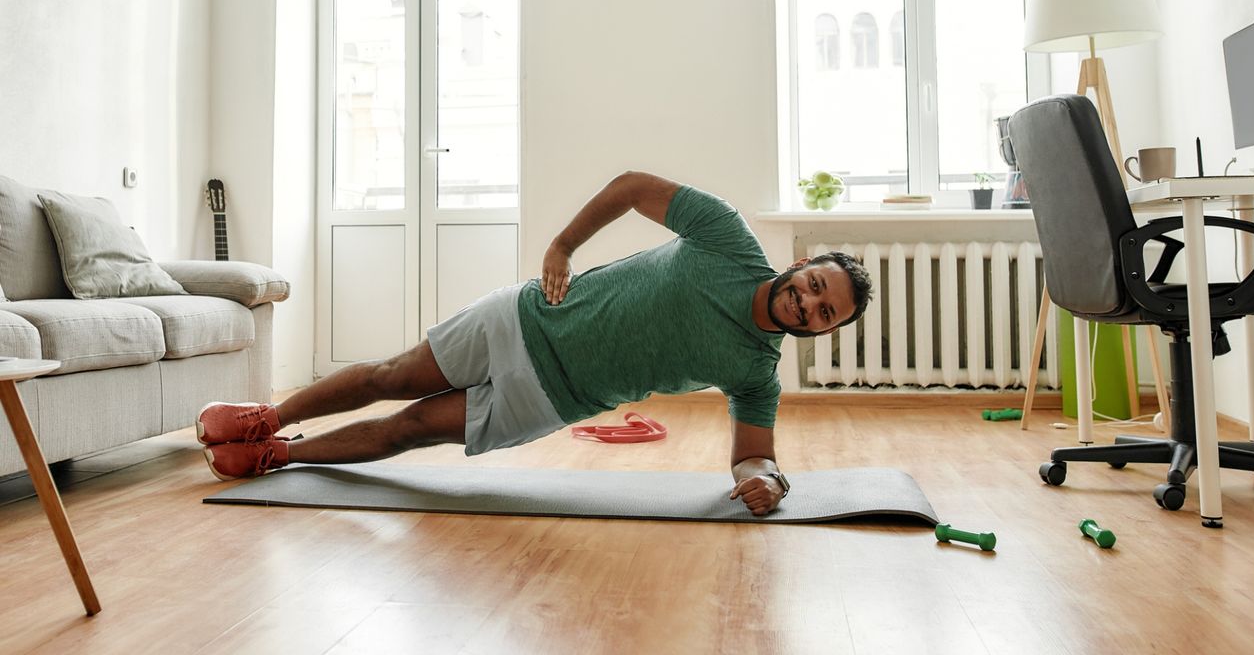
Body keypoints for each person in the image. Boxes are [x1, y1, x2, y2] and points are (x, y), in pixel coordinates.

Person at [198, 171, 873, 515]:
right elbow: (634, 186)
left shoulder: (757, 373)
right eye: (815, 285)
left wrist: (767, 483)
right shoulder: (727, 237)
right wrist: (561, 245)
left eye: (823, 312)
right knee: (389, 374)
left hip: (550, 397)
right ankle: (267, 416)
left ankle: (278, 457)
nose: (808, 302)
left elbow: (753, 457)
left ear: (824, 331)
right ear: (801, 266)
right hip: (524, 319)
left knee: (412, 427)